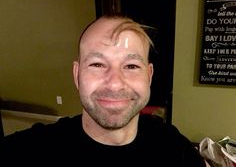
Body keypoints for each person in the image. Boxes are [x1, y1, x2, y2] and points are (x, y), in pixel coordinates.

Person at [0, 14, 206, 166]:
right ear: (77, 75)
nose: (115, 83)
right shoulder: (29, 152)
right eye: (97, 64)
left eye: (131, 66)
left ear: (149, 76)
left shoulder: (173, 145)